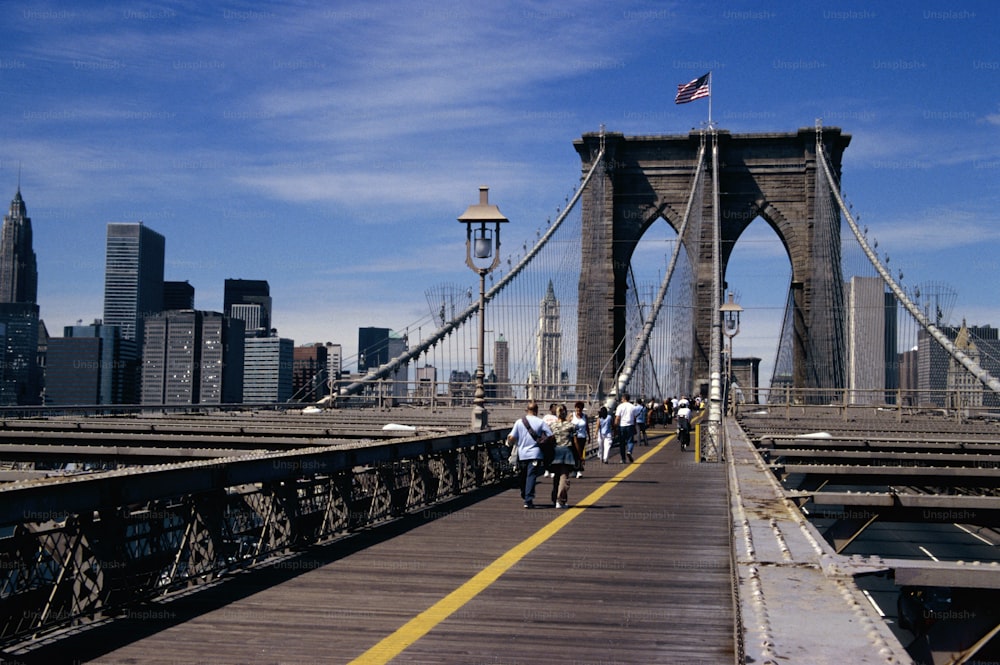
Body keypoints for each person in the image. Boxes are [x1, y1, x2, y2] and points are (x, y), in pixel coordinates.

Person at [506, 400, 553, 508]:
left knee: (522, 475)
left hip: (522, 454)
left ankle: (525, 495)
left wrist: (509, 441)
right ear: (537, 410)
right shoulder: (540, 422)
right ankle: (528, 499)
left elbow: (512, 437)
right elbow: (550, 435)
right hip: (536, 454)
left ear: (527, 410)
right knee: (531, 475)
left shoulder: (519, 422)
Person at [548, 404, 577, 508]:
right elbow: (575, 441)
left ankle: (554, 498)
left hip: (555, 452)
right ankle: (560, 500)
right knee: (564, 477)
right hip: (566, 452)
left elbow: (550, 439)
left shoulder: (552, 426)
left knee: (556, 477)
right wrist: (579, 455)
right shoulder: (571, 426)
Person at [614, 393, 636, 463]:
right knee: (630, 441)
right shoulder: (632, 407)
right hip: (630, 425)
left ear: (624, 398)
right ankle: (629, 451)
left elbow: (617, 418)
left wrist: (615, 426)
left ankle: (623, 459)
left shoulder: (620, 406)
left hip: (622, 426)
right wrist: (634, 425)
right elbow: (634, 417)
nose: (621, 400)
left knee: (622, 443)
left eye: (622, 399)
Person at [570, 401, 588, 478]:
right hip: (573, 437)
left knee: (579, 453)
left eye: (580, 408)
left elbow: (587, 427)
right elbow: (567, 424)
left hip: (582, 437)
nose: (578, 410)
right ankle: (575, 470)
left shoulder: (585, 416)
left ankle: (578, 471)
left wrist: (589, 436)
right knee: (574, 453)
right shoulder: (571, 415)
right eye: (577, 408)